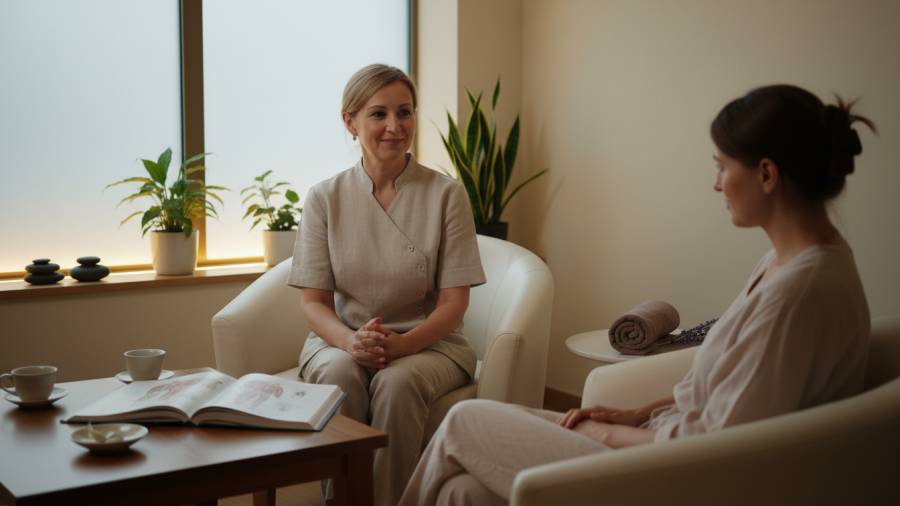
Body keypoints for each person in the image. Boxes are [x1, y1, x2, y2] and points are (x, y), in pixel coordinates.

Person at [398, 84, 874, 506]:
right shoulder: (787, 262)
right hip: (663, 442)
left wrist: (606, 432)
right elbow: (727, 390)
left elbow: (718, 445)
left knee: (464, 421)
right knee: (462, 492)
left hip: (680, 477)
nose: (716, 183)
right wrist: (634, 413)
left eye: (722, 167)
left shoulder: (796, 296)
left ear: (767, 174)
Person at [287, 63, 486, 506]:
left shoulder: (447, 195)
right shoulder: (325, 198)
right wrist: (351, 341)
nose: (394, 127)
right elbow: (315, 303)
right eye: (378, 114)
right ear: (350, 122)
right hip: (342, 341)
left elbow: (454, 303)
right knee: (339, 375)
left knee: (397, 384)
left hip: (430, 344)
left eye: (405, 112)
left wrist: (404, 345)